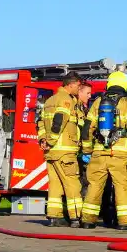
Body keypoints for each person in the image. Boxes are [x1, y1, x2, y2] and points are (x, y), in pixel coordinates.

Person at [79, 70, 127, 230]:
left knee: (94, 186)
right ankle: (125, 222)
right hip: (119, 154)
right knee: (121, 186)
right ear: (124, 85)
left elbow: (87, 128)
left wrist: (87, 150)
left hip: (99, 152)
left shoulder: (98, 101)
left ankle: (87, 220)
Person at [36, 71, 84, 227]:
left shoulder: (50, 100)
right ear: (71, 84)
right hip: (64, 152)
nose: (79, 88)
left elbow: (40, 122)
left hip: (51, 153)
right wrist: (50, 140)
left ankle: (54, 217)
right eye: (78, 85)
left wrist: (43, 139)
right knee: (72, 185)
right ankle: (76, 217)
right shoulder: (66, 100)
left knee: (55, 185)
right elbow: (59, 121)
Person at [75, 82, 93, 196]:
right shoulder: (74, 107)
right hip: (74, 151)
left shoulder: (83, 109)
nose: (90, 96)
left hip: (81, 152)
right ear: (79, 92)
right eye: (88, 93)